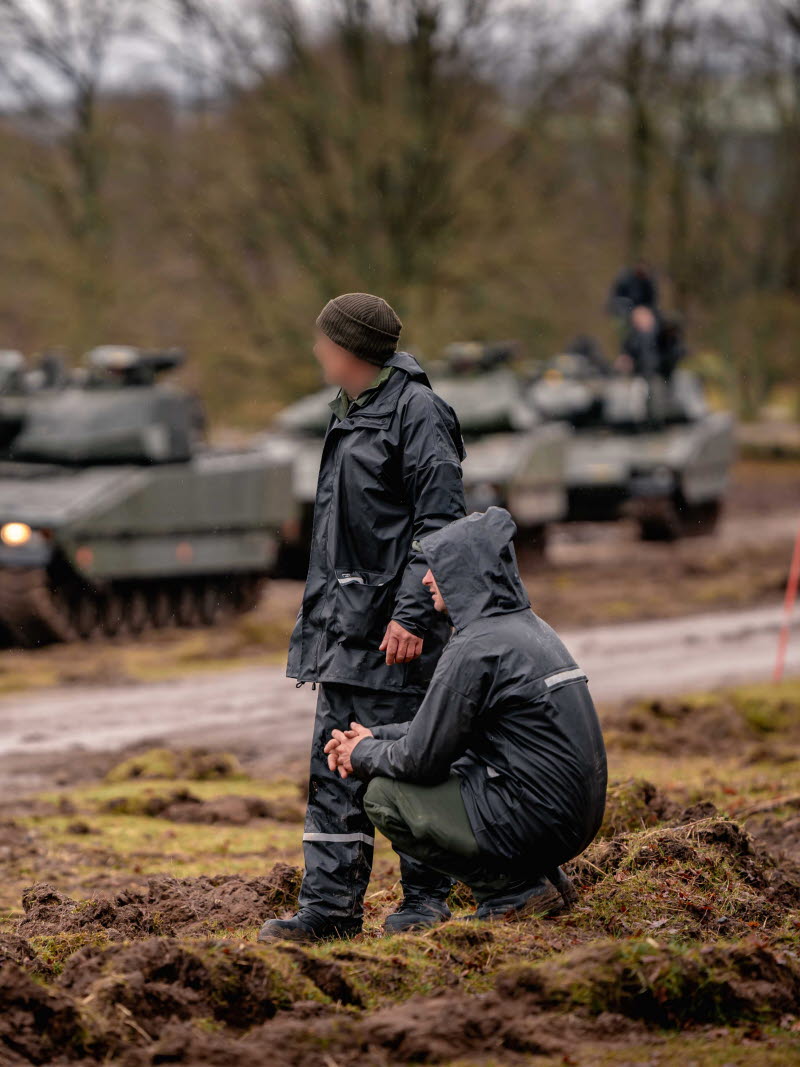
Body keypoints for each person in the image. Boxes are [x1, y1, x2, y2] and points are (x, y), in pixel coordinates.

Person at [258, 292, 466, 944]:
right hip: (344, 629)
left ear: (347, 347)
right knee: (334, 767)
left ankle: (426, 902)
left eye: (323, 340)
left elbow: (440, 526)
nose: (316, 351)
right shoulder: (351, 410)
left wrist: (411, 614)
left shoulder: (418, 413)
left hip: (395, 633)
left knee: (405, 761)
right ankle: (329, 910)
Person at [325, 507, 607, 922]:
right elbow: (451, 730)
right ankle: (537, 878)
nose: (424, 580)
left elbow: (420, 759)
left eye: (435, 568)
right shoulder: (527, 628)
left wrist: (362, 755)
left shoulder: (475, 647)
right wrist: (372, 735)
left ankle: (513, 892)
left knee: (385, 796)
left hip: (542, 818)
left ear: (465, 573)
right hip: (573, 818)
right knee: (464, 764)